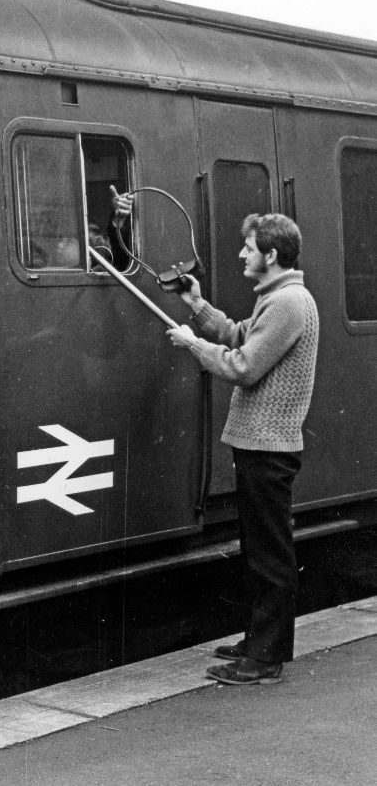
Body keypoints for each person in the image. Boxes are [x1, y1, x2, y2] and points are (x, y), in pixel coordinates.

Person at [166, 213, 319, 685]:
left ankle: (265, 660)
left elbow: (243, 365)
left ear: (271, 255)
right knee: (260, 549)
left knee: (270, 554)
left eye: (249, 248)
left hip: (268, 447)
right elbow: (239, 336)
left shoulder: (290, 303)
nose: (241, 255)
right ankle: (259, 642)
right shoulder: (278, 299)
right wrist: (197, 305)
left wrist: (193, 346)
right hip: (259, 444)